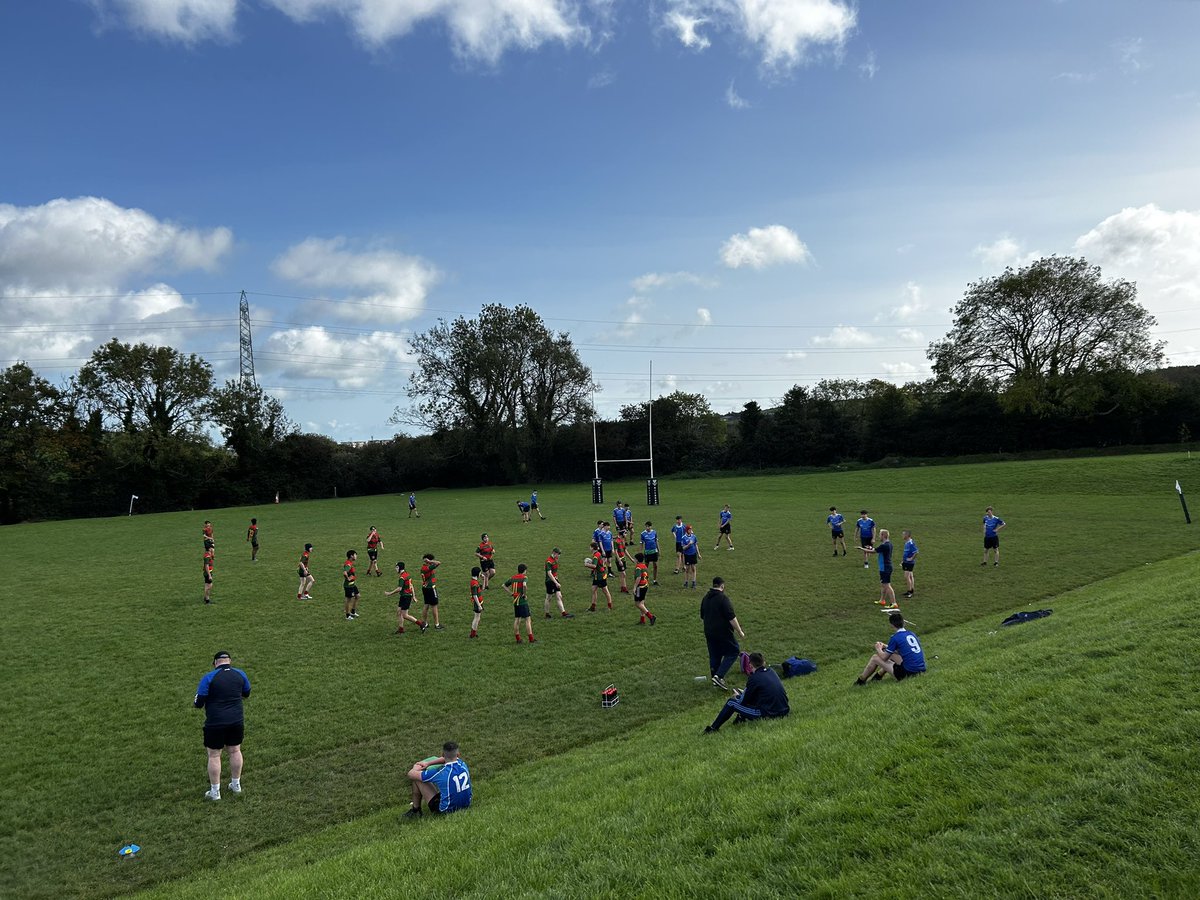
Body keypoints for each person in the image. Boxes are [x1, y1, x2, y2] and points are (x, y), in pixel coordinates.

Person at [193, 650, 251, 801]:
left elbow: (199, 703)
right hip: (236, 721)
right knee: (235, 751)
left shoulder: (209, 677)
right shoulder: (240, 674)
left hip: (215, 723)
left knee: (214, 755)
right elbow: (246, 693)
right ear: (229, 661)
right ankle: (236, 785)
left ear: (215, 663)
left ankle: (215, 792)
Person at [703, 652, 789, 733]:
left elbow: (744, 701)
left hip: (769, 714)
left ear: (750, 665)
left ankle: (713, 728)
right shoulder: (771, 671)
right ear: (764, 662)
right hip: (784, 710)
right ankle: (740, 719)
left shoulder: (753, 678)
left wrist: (737, 697)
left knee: (731, 703)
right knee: (749, 697)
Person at [403, 741, 472, 818]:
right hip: (466, 805)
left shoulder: (440, 772)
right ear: (458, 754)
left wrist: (416, 767)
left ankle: (415, 810)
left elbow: (411, 774)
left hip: (446, 810)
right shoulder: (463, 764)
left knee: (417, 779)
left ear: (442, 754)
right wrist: (428, 764)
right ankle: (415, 810)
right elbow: (444, 759)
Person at [855, 611, 927, 684]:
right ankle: (878, 676)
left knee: (875, 658)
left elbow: (884, 658)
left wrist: (878, 648)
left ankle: (860, 681)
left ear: (892, 625)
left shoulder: (895, 638)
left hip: (909, 673)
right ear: (904, 623)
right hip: (921, 669)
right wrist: (885, 646)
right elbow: (902, 651)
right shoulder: (911, 633)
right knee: (890, 653)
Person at [700, 577, 745, 689]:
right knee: (733, 651)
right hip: (723, 632)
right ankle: (719, 676)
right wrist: (739, 631)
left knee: (715, 655)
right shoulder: (723, 599)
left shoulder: (706, 598)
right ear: (722, 586)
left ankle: (715, 679)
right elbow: (731, 617)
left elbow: (702, 615)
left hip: (709, 631)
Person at [385, 560, 427, 634]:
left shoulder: (402, 578)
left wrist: (389, 593)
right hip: (405, 596)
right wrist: (414, 596)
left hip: (406, 597)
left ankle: (421, 624)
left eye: (397, 567)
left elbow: (399, 589)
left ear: (400, 568)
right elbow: (411, 586)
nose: (395, 569)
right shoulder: (407, 574)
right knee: (398, 611)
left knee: (405, 615)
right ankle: (401, 629)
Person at [865, 529, 898, 609]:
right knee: (883, 585)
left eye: (880, 534)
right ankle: (882, 600)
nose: (879, 536)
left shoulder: (884, 545)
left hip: (885, 568)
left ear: (883, 535)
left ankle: (894, 603)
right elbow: (876, 549)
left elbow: (874, 552)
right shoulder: (888, 544)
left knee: (887, 585)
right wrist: (870, 547)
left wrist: (862, 549)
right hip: (885, 567)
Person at [506, 563, 536, 643]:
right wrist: (524, 594)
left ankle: (518, 639)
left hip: (516, 601)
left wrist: (511, 593)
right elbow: (524, 585)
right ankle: (531, 639)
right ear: (524, 571)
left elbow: (504, 585)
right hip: (522, 601)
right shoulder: (524, 578)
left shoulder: (513, 578)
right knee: (527, 619)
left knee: (517, 619)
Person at [544, 548, 573, 619]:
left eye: (559, 554)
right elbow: (549, 573)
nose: (559, 555)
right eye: (558, 554)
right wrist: (556, 582)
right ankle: (547, 614)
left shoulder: (555, 560)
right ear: (553, 552)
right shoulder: (549, 561)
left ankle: (564, 613)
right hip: (550, 581)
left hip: (555, 580)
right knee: (549, 598)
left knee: (559, 596)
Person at [586, 541, 613, 612]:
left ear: (592, 548)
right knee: (594, 589)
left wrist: (587, 565)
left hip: (600, 576)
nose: (589, 548)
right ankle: (593, 607)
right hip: (597, 575)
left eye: (590, 547)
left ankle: (609, 606)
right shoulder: (597, 554)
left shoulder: (595, 556)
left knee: (605, 591)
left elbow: (594, 566)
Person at [632, 552, 656, 625]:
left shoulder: (638, 567)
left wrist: (635, 587)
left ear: (637, 560)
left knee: (637, 604)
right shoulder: (644, 566)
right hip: (645, 585)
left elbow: (638, 577)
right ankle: (642, 620)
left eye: (635, 559)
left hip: (640, 587)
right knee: (642, 603)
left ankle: (651, 616)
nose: (634, 560)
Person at [420, 553, 443, 629]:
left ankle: (425, 623)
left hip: (425, 587)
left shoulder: (423, 567)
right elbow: (438, 563)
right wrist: (430, 561)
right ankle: (437, 624)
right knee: (434, 606)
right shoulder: (428, 567)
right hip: (431, 588)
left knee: (426, 605)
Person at [640, 521, 661, 585]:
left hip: (654, 551)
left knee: (655, 566)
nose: (647, 528)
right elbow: (641, 544)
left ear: (651, 526)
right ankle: (645, 579)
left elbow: (656, 542)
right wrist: (640, 553)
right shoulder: (643, 534)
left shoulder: (654, 532)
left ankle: (655, 580)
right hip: (647, 552)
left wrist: (659, 550)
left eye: (648, 526)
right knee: (646, 567)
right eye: (646, 526)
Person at [681, 524, 701, 589]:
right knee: (687, 569)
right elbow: (683, 548)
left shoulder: (694, 536)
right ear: (687, 530)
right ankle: (686, 582)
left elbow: (696, 545)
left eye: (691, 529)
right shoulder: (683, 538)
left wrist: (698, 554)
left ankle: (693, 582)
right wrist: (689, 545)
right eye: (689, 529)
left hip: (693, 554)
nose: (691, 530)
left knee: (693, 568)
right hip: (687, 555)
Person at [343, 550, 360, 620]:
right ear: (351, 556)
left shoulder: (350, 563)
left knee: (357, 596)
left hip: (352, 584)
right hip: (348, 585)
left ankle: (353, 611)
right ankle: (347, 615)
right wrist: (348, 578)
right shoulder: (348, 564)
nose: (356, 556)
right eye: (355, 555)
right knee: (348, 600)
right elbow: (344, 573)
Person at [901, 530, 919, 598]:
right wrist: (903, 560)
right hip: (906, 562)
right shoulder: (907, 543)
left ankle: (909, 591)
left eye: (903, 535)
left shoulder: (911, 543)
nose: (902, 536)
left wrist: (911, 558)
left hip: (909, 562)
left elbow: (916, 552)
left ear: (907, 535)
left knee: (907, 576)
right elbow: (906, 553)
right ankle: (912, 589)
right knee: (910, 576)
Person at [468, 567, 484, 638]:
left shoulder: (475, 581)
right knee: (476, 617)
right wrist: (479, 605)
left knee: (478, 617)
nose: (481, 574)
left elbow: (482, 588)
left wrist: (483, 580)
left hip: (479, 602)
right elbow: (474, 595)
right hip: (477, 603)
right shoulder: (474, 583)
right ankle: (472, 634)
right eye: (480, 572)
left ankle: (474, 632)